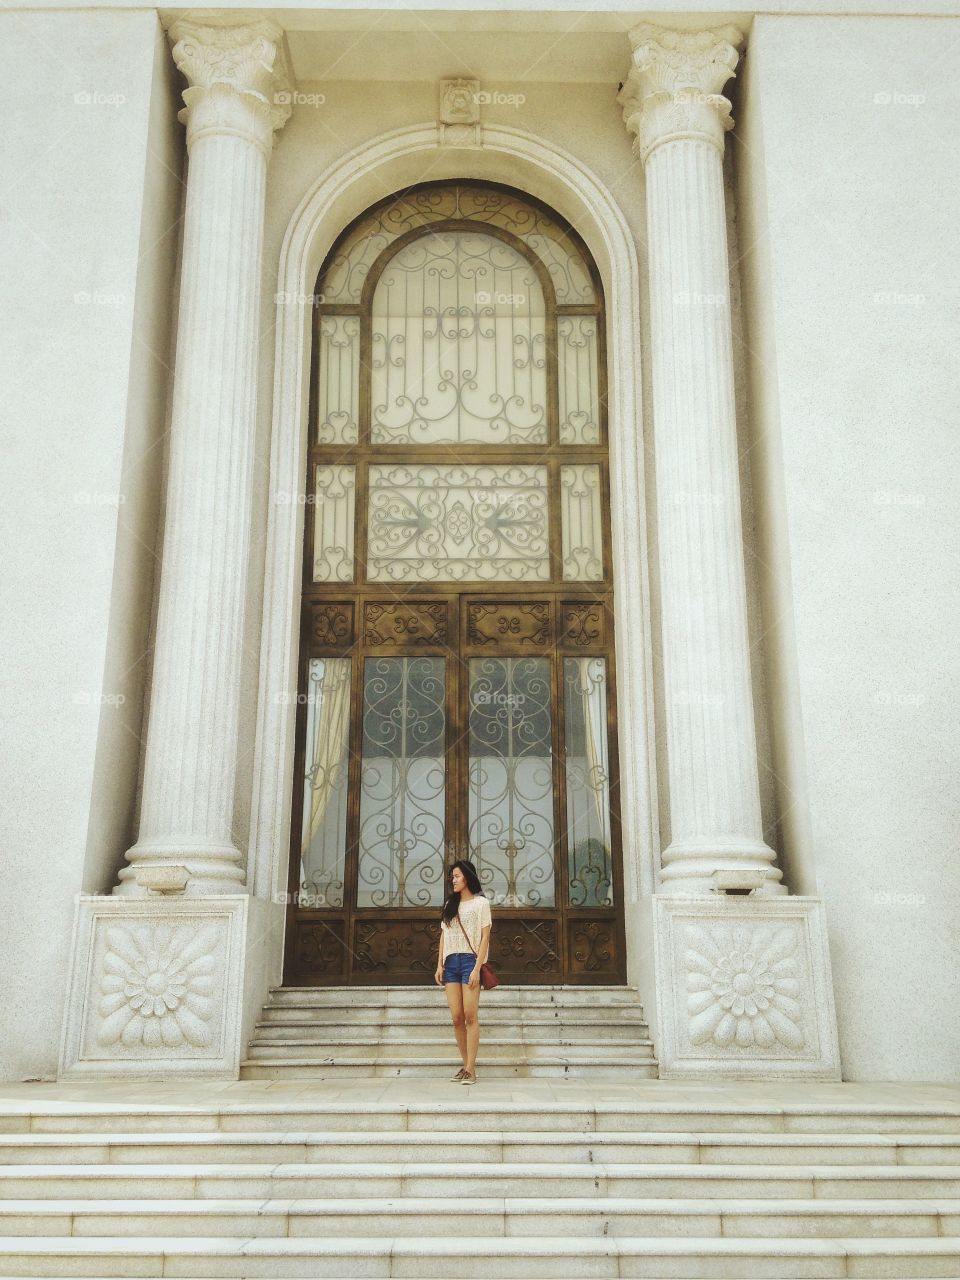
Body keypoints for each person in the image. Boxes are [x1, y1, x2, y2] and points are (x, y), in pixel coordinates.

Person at [434, 859, 492, 1085]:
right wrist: (439, 964)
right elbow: (444, 934)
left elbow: (486, 937)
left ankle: (471, 1069)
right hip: (451, 962)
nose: (453, 880)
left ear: (467, 877)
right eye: (452, 877)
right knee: (457, 1017)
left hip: (470, 961)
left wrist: (477, 967)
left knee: (470, 1016)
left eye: (456, 876)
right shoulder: (450, 903)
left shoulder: (481, 904)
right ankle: (465, 1064)